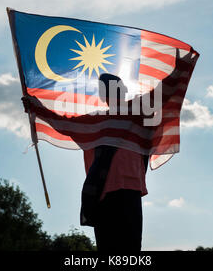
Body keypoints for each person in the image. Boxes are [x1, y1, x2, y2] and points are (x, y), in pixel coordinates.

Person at [22, 73, 151, 251]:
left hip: (118, 193)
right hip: (113, 193)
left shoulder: (134, 117)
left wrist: (36, 108)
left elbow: (64, 124)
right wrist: (36, 108)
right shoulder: (132, 117)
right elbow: (64, 124)